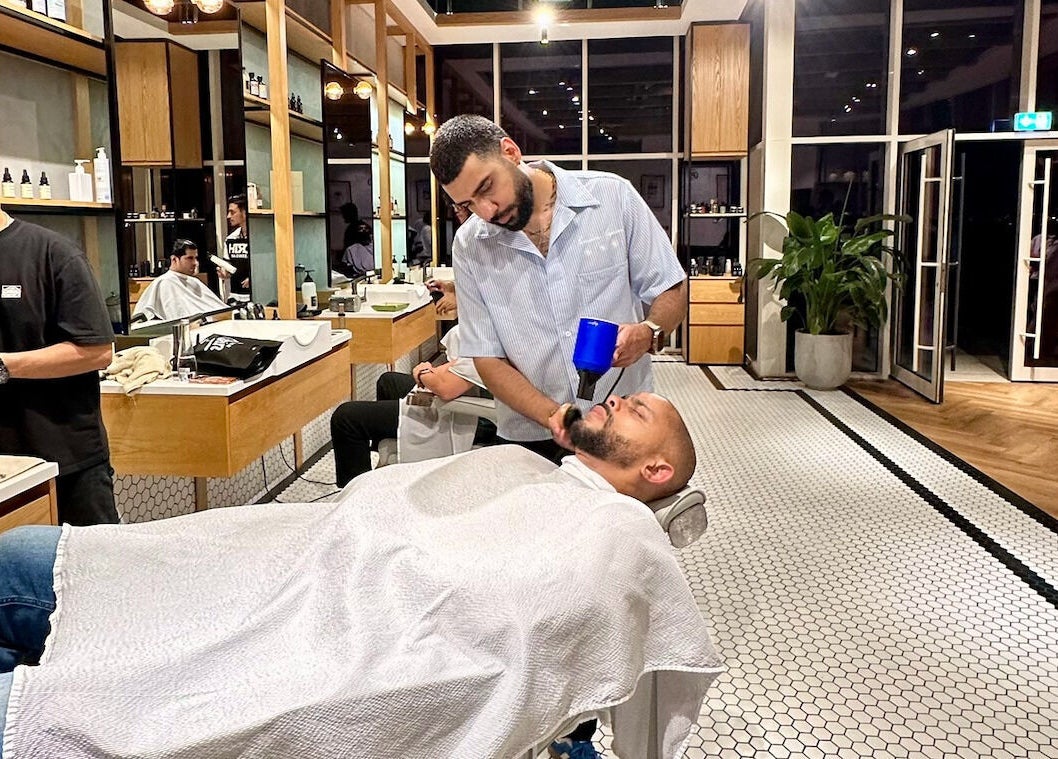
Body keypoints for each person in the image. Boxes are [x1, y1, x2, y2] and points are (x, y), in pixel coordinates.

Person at [0, 394, 713, 759]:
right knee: (26, 554)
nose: (620, 399)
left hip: (340, 643)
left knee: (37, 696)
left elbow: (644, 663)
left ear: (657, 470)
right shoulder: (531, 468)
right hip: (273, 562)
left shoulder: (625, 533)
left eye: (639, 410)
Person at [429, 115, 688, 465]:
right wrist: (552, 414)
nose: (486, 211)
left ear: (510, 152)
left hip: (621, 423)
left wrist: (650, 332)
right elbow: (487, 357)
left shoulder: (612, 196)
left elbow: (670, 285)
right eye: (468, 204)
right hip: (530, 430)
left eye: (486, 187)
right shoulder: (470, 245)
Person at [0, 203, 119, 526]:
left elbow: (97, 351)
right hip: (6, 473)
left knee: (90, 557)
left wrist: (5, 365)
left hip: (65, 460)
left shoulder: (53, 253)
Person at [329, 325, 495, 486]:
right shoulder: (488, 332)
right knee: (389, 382)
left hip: (478, 420)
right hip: (468, 396)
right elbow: (457, 366)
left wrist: (423, 372)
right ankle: (388, 462)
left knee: (346, 417)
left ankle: (355, 495)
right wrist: (432, 372)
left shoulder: (489, 343)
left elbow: (446, 389)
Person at [132, 239, 228, 323]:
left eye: (196, 258)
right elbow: (178, 317)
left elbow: (221, 310)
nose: (195, 263)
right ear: (174, 259)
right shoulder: (164, 282)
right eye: (190, 258)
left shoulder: (195, 282)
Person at [222, 193, 251, 297]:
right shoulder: (230, 239)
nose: (228, 216)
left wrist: (254, 278)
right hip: (235, 295)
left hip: (256, 295)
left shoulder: (257, 239)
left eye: (232, 212)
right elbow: (228, 265)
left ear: (244, 212)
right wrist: (224, 273)